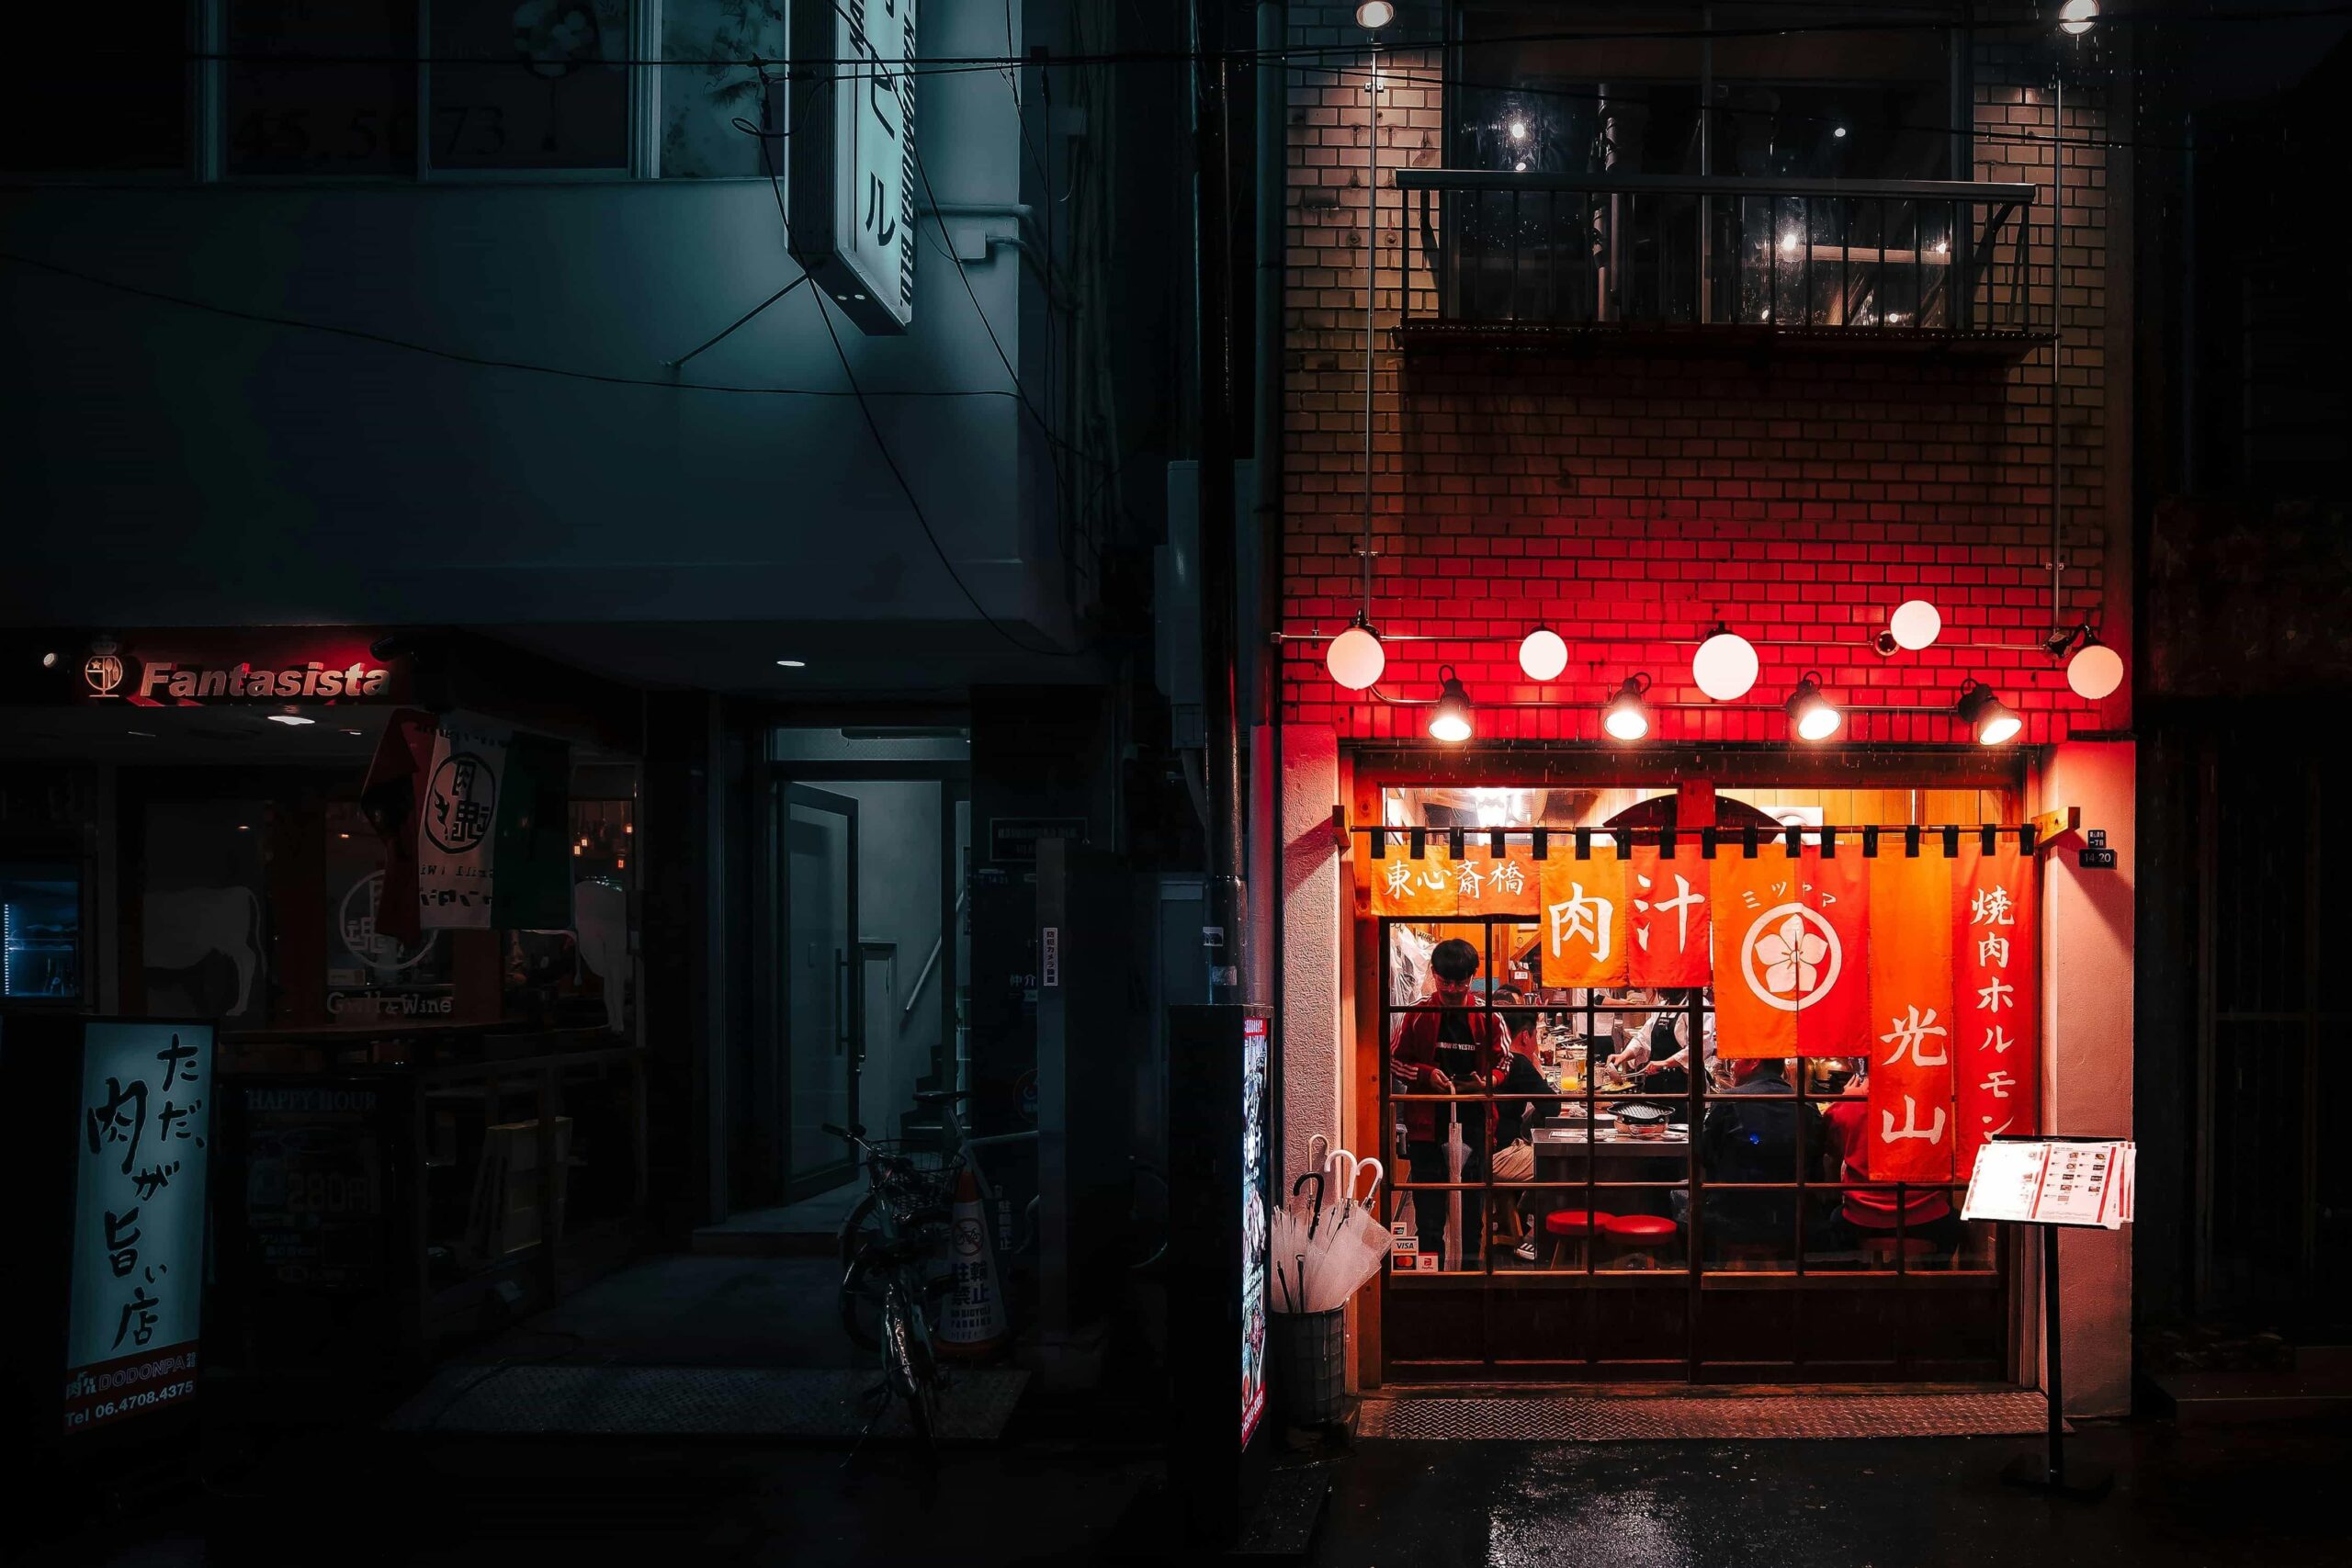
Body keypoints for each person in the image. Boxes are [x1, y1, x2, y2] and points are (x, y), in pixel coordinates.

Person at [1390, 937, 1513, 1265]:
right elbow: (1395, 1060)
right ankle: (1431, 1283)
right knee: (1429, 1215)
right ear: (1434, 974)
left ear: (1473, 977)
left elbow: (1505, 1062)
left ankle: (1470, 1278)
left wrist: (1486, 1082)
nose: (1453, 989)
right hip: (1425, 1127)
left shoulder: (1489, 1015)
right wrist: (1426, 1074)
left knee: (1472, 1213)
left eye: (1461, 982)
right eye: (1446, 981)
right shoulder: (1417, 1013)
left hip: (1474, 1122)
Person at [1817, 1061, 1959, 1260]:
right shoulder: (1932, 1097)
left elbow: (1833, 1151)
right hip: (1927, 1215)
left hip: (1863, 1216)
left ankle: (1855, 1284)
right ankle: (1938, 1284)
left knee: (1834, 1221)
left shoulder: (1850, 1103)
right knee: (1954, 1223)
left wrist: (1845, 1098)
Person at [1682, 1055, 1817, 1263]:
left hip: (1732, 1215)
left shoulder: (1728, 1101)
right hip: (1792, 1217)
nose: (1733, 1068)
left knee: (1678, 1194)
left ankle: (1694, 1274)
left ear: (1754, 1062)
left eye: (1736, 1061)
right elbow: (1814, 1162)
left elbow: (1703, 1154)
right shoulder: (1807, 1106)